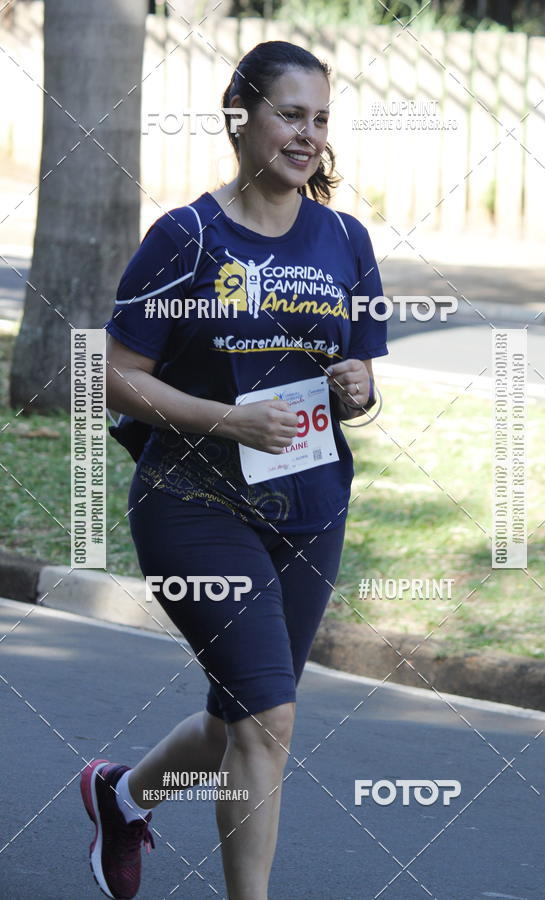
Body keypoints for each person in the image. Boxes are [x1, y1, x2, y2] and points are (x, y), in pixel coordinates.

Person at [80, 39, 388, 900]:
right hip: (191, 503)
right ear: (240, 119)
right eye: (292, 115)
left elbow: (360, 377)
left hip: (310, 504)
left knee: (239, 720)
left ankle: (121, 795)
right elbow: (114, 375)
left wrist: (359, 386)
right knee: (270, 716)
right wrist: (232, 418)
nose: (309, 135)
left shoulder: (345, 240)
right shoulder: (187, 237)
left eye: (321, 119)